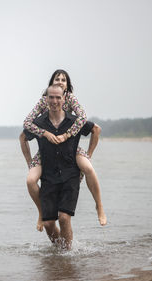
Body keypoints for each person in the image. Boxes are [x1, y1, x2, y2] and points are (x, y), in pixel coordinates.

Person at [19, 69, 107, 231]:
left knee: (87, 167)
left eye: (63, 80)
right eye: (57, 79)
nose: (60, 81)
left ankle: (99, 206)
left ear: (67, 87)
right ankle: (41, 213)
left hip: (69, 145)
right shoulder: (44, 99)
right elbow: (27, 123)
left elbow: (82, 118)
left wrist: (70, 138)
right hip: (47, 147)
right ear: (51, 84)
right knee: (31, 180)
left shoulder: (71, 98)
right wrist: (44, 133)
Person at [24, 85, 94, 249]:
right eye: (51, 97)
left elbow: (95, 129)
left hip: (70, 175)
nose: (54, 101)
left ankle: (68, 253)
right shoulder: (38, 123)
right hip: (48, 176)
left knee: (64, 218)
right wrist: (30, 162)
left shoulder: (74, 121)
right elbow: (23, 136)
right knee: (48, 224)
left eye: (58, 97)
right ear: (46, 99)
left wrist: (88, 155)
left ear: (64, 99)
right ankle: (60, 251)